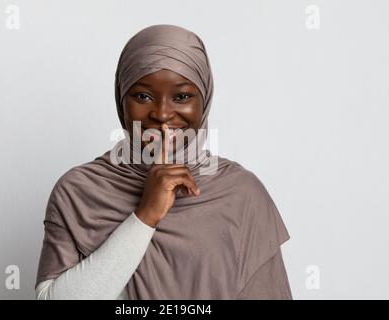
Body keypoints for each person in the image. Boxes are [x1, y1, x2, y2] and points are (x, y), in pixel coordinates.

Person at [35, 24, 292, 300]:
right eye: (143, 96)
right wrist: (145, 217)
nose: (162, 114)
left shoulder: (241, 194)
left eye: (182, 96)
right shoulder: (78, 191)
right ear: (121, 99)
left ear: (203, 101)